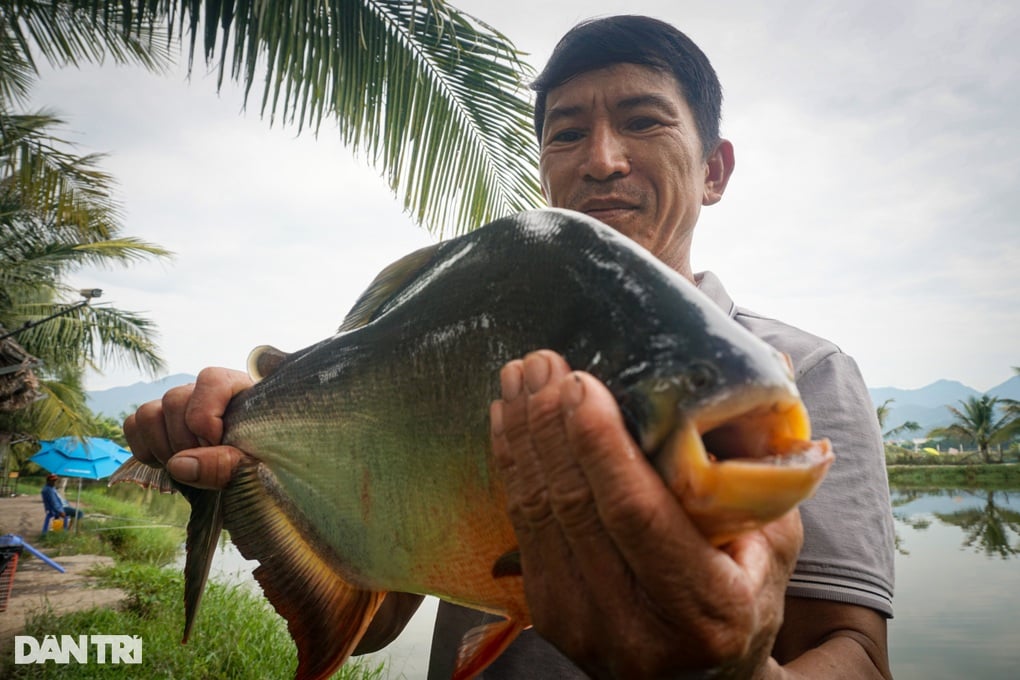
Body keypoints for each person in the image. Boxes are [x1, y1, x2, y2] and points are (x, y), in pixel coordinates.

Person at [124, 15, 894, 679]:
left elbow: (854, 650)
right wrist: (242, 454)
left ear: (715, 170)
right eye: (567, 133)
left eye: (643, 121)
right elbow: (381, 623)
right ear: (546, 169)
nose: (601, 158)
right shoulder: (468, 337)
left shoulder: (810, 376)